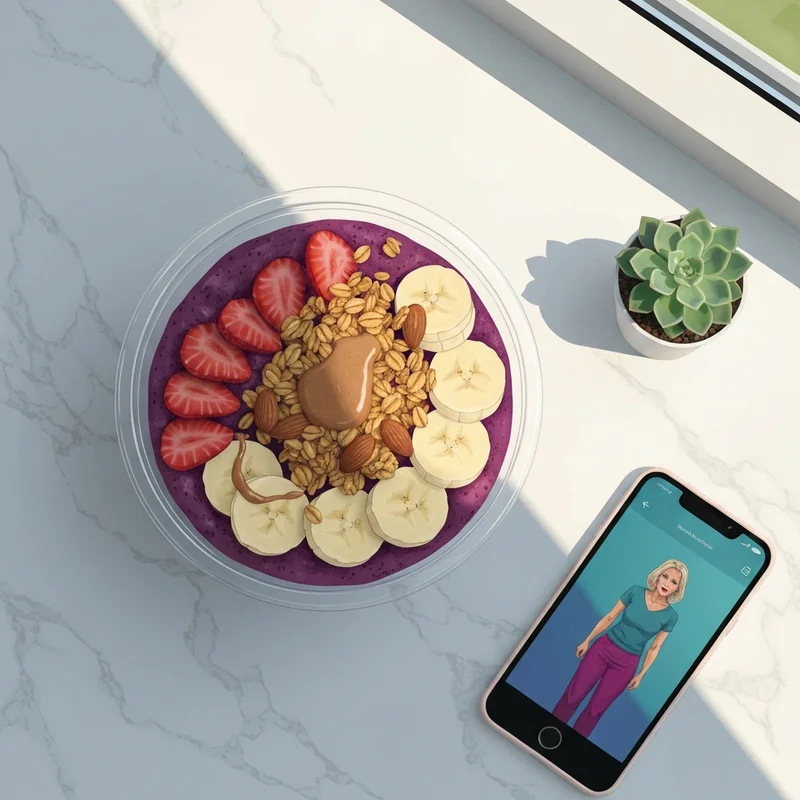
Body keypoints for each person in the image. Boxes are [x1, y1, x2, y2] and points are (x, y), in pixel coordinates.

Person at [552, 559, 688, 737]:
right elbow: (610, 617)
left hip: (626, 665)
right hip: (603, 649)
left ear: (677, 589)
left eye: (673, 582)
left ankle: (571, 747)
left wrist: (641, 674)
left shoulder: (671, 616)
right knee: (573, 694)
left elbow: (655, 647)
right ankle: (550, 730)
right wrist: (588, 640)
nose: (667, 584)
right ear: (658, 575)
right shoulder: (635, 592)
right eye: (665, 576)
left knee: (596, 709)